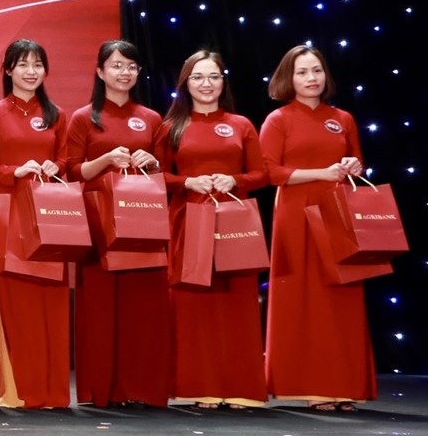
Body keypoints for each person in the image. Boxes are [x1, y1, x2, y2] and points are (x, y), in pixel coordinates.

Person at [259, 44, 375, 410]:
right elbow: (269, 172)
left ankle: (344, 384)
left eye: (317, 71)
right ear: (288, 79)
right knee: (303, 299)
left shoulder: (343, 118)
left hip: (337, 214)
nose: (311, 78)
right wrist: (320, 173)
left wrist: (353, 167)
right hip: (296, 215)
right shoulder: (279, 119)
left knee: (342, 298)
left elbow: (358, 161)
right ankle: (312, 387)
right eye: (302, 72)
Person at [156, 49, 266, 409]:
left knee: (237, 303)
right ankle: (198, 386)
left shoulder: (241, 124)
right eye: (198, 77)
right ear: (186, 84)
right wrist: (188, 182)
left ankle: (241, 388)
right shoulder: (171, 127)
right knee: (195, 306)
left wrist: (234, 180)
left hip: (234, 223)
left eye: (214, 76)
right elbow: (158, 176)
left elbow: (261, 173)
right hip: (189, 220)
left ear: (223, 81)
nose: (207, 84)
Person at [63, 38, 169, 408]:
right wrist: (106, 159)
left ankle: (141, 388)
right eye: (116, 65)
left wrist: (152, 163)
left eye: (131, 66)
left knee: (143, 306)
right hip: (98, 222)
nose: (124, 72)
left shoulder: (152, 118)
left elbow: (164, 170)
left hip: (142, 219)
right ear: (100, 71)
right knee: (100, 306)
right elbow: (72, 171)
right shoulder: (84, 117)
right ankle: (102, 390)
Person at [0, 39, 72, 410]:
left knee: (51, 301)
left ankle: (53, 392)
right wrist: (14, 171)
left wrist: (56, 166)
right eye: (22, 64)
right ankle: (19, 390)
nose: (31, 71)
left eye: (37, 64)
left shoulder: (57, 114)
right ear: (8, 70)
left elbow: (67, 160)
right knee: (17, 301)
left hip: (50, 214)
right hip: (10, 210)